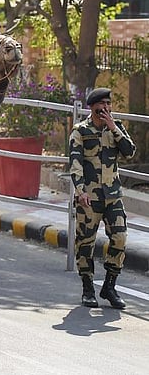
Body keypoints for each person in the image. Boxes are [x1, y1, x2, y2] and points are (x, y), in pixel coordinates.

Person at [70, 87, 136, 309]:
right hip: (89, 198)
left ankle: (109, 286)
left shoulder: (116, 128)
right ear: (92, 107)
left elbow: (129, 152)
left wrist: (114, 128)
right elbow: (75, 163)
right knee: (85, 243)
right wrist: (80, 192)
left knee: (120, 237)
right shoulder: (80, 131)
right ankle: (88, 288)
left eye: (108, 105)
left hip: (113, 197)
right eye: (101, 106)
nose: (105, 109)